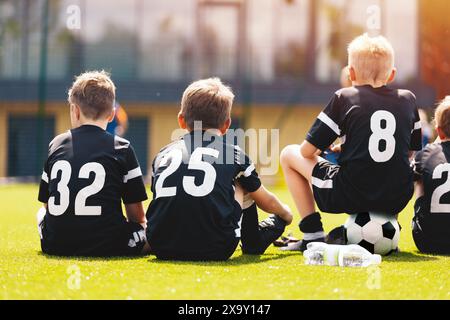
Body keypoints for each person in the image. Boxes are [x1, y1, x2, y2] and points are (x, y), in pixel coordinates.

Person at [279, 34, 422, 251]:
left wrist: (324, 149)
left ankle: (312, 234)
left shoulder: (345, 97)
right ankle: (393, 227)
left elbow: (306, 151)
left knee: (289, 154)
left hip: (351, 194)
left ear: (351, 73)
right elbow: (409, 152)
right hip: (396, 197)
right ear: (392, 75)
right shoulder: (408, 99)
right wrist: (350, 146)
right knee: (403, 167)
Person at [146, 78, 293, 261]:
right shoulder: (234, 154)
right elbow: (266, 202)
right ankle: (253, 243)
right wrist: (286, 214)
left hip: (160, 245)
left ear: (181, 121)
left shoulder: (162, 154)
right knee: (242, 183)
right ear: (226, 124)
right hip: (216, 248)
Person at [37, 71, 150, 257]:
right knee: (149, 229)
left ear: (75, 110)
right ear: (112, 114)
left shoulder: (56, 143)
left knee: (40, 215)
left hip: (55, 243)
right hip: (110, 245)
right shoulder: (122, 148)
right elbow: (137, 217)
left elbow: (47, 206)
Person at [412, 97, 450, 254]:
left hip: (428, 241)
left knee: (420, 179)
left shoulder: (426, 153)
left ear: (438, 131)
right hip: (429, 241)